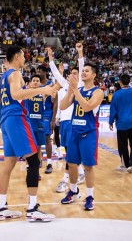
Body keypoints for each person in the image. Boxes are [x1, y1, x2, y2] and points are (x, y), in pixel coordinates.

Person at [0, 45, 56, 222]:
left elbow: (19, 94)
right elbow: (16, 95)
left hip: (5, 120)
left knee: (8, 164)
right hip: (15, 117)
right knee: (33, 160)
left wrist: (46, 89)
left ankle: (1, 207)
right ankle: (32, 208)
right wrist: (42, 89)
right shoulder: (14, 73)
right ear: (16, 57)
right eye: (22, 55)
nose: (24, 58)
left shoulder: (4, 76)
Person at [60, 62, 104, 211]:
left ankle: (90, 196)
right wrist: (70, 91)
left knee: (88, 167)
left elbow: (87, 107)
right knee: (71, 164)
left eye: (87, 71)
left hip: (88, 133)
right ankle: (73, 191)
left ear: (94, 75)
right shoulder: (76, 90)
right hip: (74, 131)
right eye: (82, 70)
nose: (83, 73)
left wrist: (75, 91)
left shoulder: (98, 92)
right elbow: (62, 106)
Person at [47, 45, 86, 193]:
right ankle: (80, 172)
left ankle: (65, 179)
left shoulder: (80, 86)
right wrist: (50, 58)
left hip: (73, 121)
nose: (73, 75)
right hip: (63, 122)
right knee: (69, 150)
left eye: (77, 73)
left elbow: (81, 67)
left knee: (70, 152)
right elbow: (56, 73)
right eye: (72, 73)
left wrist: (80, 53)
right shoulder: (64, 85)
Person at [109, 74, 132, 173]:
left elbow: (113, 110)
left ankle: (126, 165)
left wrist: (110, 122)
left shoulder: (116, 94)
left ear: (120, 82)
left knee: (123, 146)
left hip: (122, 124)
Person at [36, 65, 56, 174]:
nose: (39, 72)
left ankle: (49, 163)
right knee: (38, 137)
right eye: (38, 71)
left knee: (47, 137)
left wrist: (53, 119)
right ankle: (39, 159)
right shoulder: (36, 85)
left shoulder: (50, 84)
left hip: (47, 113)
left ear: (45, 72)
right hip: (37, 114)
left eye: (40, 70)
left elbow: (55, 101)